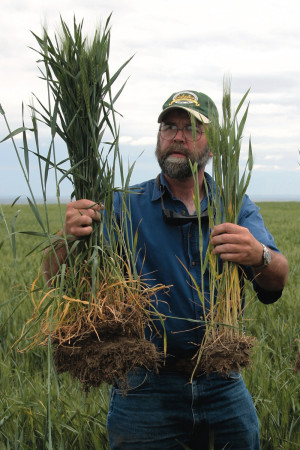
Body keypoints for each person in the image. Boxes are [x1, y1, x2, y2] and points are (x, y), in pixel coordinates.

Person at [44, 90, 289, 449]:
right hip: (144, 390)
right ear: (159, 137)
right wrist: (65, 239)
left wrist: (258, 255)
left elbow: (278, 276)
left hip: (222, 382)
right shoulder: (123, 205)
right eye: (169, 127)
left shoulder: (234, 204)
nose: (177, 136)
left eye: (192, 129)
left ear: (213, 145)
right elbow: (55, 276)